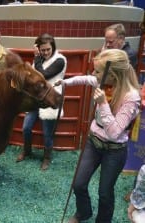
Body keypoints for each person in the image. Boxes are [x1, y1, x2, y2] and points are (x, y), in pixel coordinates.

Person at [55, 49, 141, 223]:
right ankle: (83, 212)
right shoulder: (102, 81)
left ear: (113, 75)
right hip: (94, 142)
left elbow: (115, 132)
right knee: (78, 183)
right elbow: (85, 78)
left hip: (115, 150)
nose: (94, 74)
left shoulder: (132, 96)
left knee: (105, 192)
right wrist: (64, 82)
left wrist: (102, 104)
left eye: (98, 71)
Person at [16, 33, 67, 171]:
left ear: (53, 47)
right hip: (36, 99)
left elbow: (42, 75)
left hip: (50, 99)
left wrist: (37, 57)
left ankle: (46, 157)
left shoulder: (60, 60)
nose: (45, 53)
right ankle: (27, 151)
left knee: (47, 133)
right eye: (42, 50)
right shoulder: (38, 61)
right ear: (39, 49)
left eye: (47, 49)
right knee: (26, 127)